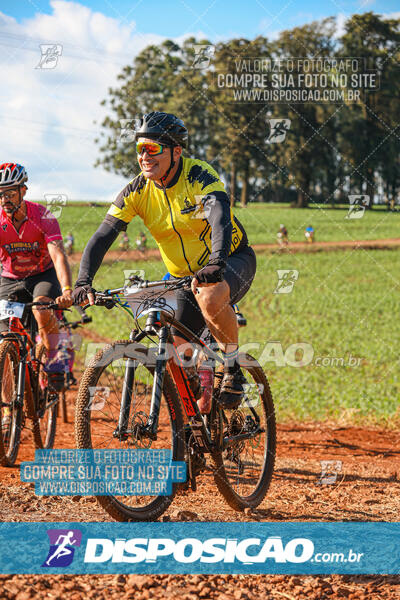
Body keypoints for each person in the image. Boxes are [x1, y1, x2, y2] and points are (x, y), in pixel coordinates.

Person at [73, 112, 256, 409]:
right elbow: (103, 235)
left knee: (209, 296)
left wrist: (216, 262)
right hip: (184, 277)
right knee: (174, 352)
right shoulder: (137, 191)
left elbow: (220, 217)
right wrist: (83, 281)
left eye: (153, 149)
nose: (144, 156)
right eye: (140, 149)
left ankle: (232, 368)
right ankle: (195, 427)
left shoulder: (198, 176)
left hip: (232, 259)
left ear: (176, 152)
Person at [0, 163, 73, 399]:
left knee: (42, 308)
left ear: (23, 190)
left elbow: (58, 254)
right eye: (0, 194)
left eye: (10, 192)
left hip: (42, 275)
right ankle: (7, 415)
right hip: (10, 279)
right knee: (3, 341)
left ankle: (52, 361)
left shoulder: (42, 215)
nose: (4, 199)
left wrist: (67, 290)